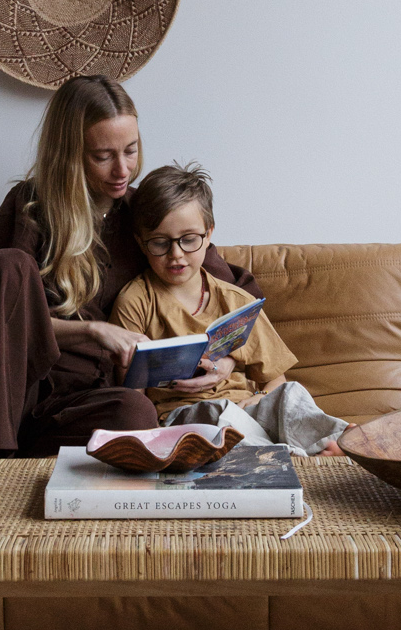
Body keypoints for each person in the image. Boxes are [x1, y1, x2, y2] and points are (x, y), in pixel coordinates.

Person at [0, 76, 250, 456]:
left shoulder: (143, 213)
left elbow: (239, 292)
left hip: (72, 404)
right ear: (69, 153)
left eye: (131, 151)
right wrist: (94, 331)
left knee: (135, 413)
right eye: (103, 156)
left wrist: (226, 360)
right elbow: (3, 320)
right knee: (7, 265)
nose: (122, 170)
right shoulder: (29, 207)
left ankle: (13, 451)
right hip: (8, 387)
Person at [111, 161, 347, 455]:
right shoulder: (135, 302)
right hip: (186, 418)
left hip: (246, 408)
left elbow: (276, 380)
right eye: (160, 243)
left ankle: (344, 441)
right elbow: (133, 394)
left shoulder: (237, 302)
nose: (176, 254)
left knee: (291, 394)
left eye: (189, 240)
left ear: (208, 234)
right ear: (140, 241)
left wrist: (258, 397)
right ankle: (298, 457)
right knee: (221, 416)